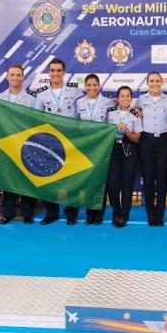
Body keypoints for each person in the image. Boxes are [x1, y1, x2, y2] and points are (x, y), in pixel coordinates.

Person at [33, 58, 82, 225]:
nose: (55, 74)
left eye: (58, 70)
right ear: (49, 73)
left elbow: (81, 115)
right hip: (50, 142)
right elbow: (37, 119)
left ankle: (71, 213)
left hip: (70, 141)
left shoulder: (75, 92)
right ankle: (51, 212)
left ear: (64, 72)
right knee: (50, 177)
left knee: (71, 178)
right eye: (52, 70)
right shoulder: (41, 94)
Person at [0, 64, 37, 225]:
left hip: (26, 144)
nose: (15, 77)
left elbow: (35, 124)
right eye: (12, 74)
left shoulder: (31, 100)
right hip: (7, 144)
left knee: (26, 179)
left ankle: (27, 213)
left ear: (23, 77)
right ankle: (8, 213)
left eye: (18, 75)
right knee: (8, 179)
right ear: (7, 77)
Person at [75, 74, 115, 225]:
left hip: (102, 148)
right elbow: (75, 125)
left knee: (100, 182)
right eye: (89, 85)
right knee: (86, 182)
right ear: (85, 87)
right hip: (85, 148)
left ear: (99, 86)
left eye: (94, 85)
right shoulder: (78, 103)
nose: (92, 88)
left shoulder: (108, 102)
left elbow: (111, 123)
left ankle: (98, 215)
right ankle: (88, 213)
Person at [134, 71, 167, 226]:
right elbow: (134, 114)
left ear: (161, 82)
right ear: (147, 83)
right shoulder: (141, 99)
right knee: (148, 179)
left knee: (162, 179)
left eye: (157, 81)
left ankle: (160, 215)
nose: (155, 83)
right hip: (146, 141)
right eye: (151, 81)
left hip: (163, 141)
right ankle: (151, 215)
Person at [106, 86, 143, 228]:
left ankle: (124, 215)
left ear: (131, 98)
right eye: (122, 96)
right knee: (112, 184)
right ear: (118, 98)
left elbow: (137, 139)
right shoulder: (110, 113)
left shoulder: (136, 114)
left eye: (128, 96)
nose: (125, 98)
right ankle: (116, 212)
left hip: (129, 151)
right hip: (112, 150)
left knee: (127, 185)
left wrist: (126, 130)